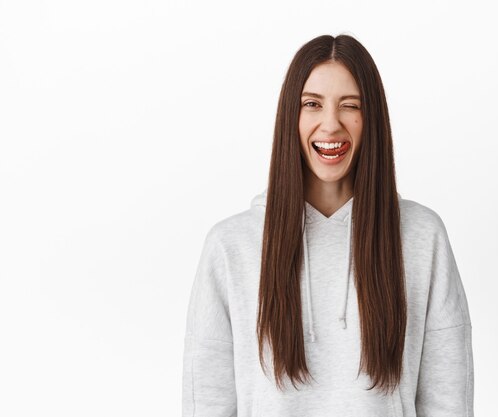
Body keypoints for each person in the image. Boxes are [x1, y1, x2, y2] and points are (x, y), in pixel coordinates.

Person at [182, 33, 474, 417]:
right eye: (312, 104)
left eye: (349, 105)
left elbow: (448, 403)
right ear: (292, 116)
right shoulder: (231, 247)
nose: (330, 124)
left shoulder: (422, 238)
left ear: (372, 120)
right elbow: (207, 404)